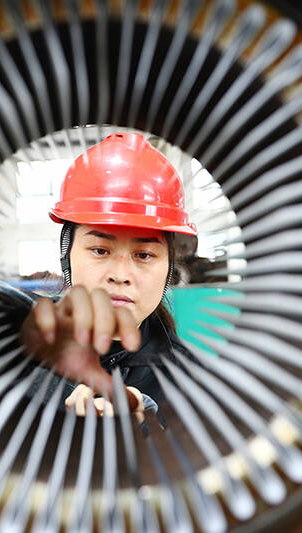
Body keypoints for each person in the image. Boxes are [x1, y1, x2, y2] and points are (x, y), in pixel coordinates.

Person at [20, 132, 198, 416]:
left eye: (144, 255)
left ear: (168, 268)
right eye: (100, 250)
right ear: (67, 254)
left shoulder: (189, 382)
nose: (120, 274)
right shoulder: (12, 345)